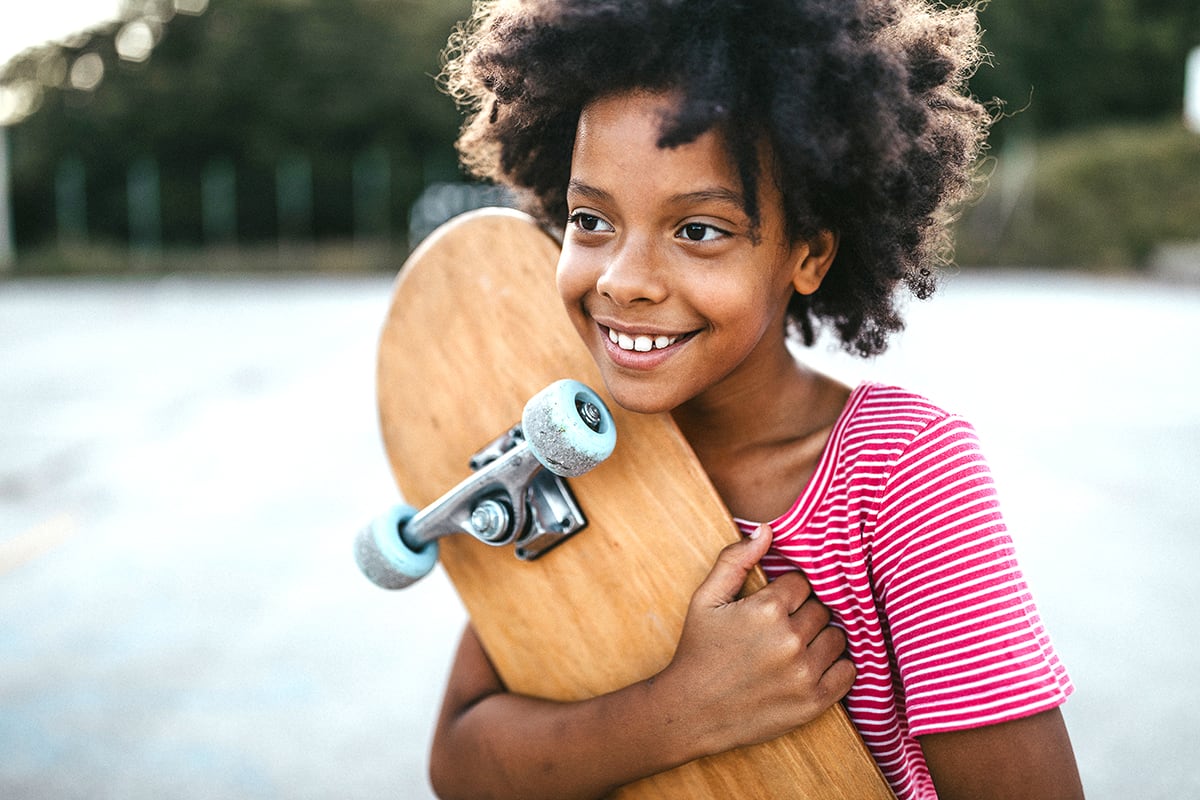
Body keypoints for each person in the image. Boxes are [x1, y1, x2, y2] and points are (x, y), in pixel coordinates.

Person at [428, 1, 1084, 798]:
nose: (623, 280)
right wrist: (682, 710)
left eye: (699, 231)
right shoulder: (568, 444)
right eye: (591, 219)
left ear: (808, 254)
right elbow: (460, 764)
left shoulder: (901, 476)